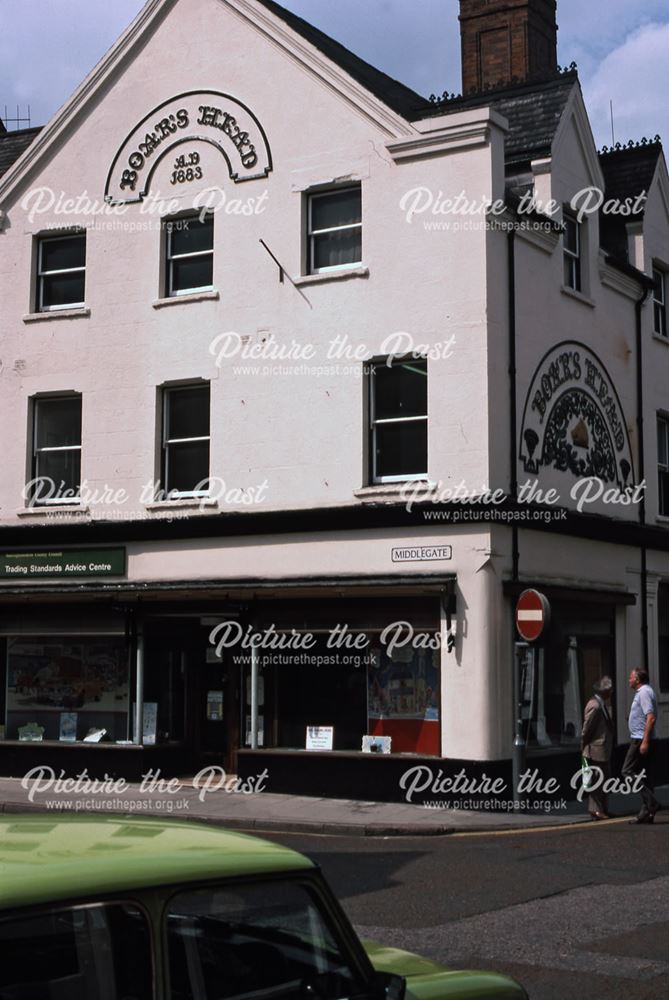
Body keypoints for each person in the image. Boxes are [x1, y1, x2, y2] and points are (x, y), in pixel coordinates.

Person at [623, 668, 659, 824]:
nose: (629, 680)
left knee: (626, 771)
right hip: (642, 738)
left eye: (631, 677)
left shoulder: (643, 692)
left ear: (638, 680)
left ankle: (652, 803)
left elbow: (650, 717)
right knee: (646, 776)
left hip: (639, 739)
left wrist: (644, 741)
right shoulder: (646, 691)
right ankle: (647, 814)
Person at [581, 676, 614, 820]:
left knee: (603, 779)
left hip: (602, 749)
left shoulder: (601, 704)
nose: (611, 692)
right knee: (596, 780)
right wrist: (584, 746)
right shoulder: (595, 705)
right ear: (604, 691)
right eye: (609, 690)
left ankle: (602, 809)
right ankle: (596, 810)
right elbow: (587, 729)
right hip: (595, 749)